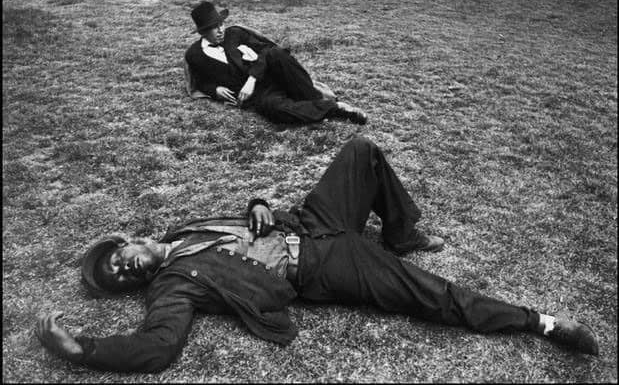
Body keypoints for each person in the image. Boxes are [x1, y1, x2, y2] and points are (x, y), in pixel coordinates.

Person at [36, 137, 599, 373]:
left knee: (360, 151)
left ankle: (401, 230)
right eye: (119, 278)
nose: (124, 267)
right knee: (433, 296)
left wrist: (258, 204)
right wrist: (82, 349)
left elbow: (252, 212)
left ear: (128, 238)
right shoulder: (172, 286)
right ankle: (542, 323)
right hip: (323, 267)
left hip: (314, 220)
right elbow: (158, 346)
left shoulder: (183, 227)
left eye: (117, 257)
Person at [184, 1, 368, 125]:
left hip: (271, 73)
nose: (220, 30)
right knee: (274, 111)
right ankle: (336, 109)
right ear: (202, 32)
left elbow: (267, 50)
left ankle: (314, 99)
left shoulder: (235, 34)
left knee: (277, 53)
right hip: (260, 94)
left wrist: (252, 78)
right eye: (213, 27)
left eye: (221, 24)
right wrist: (214, 90)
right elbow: (199, 81)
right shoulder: (195, 55)